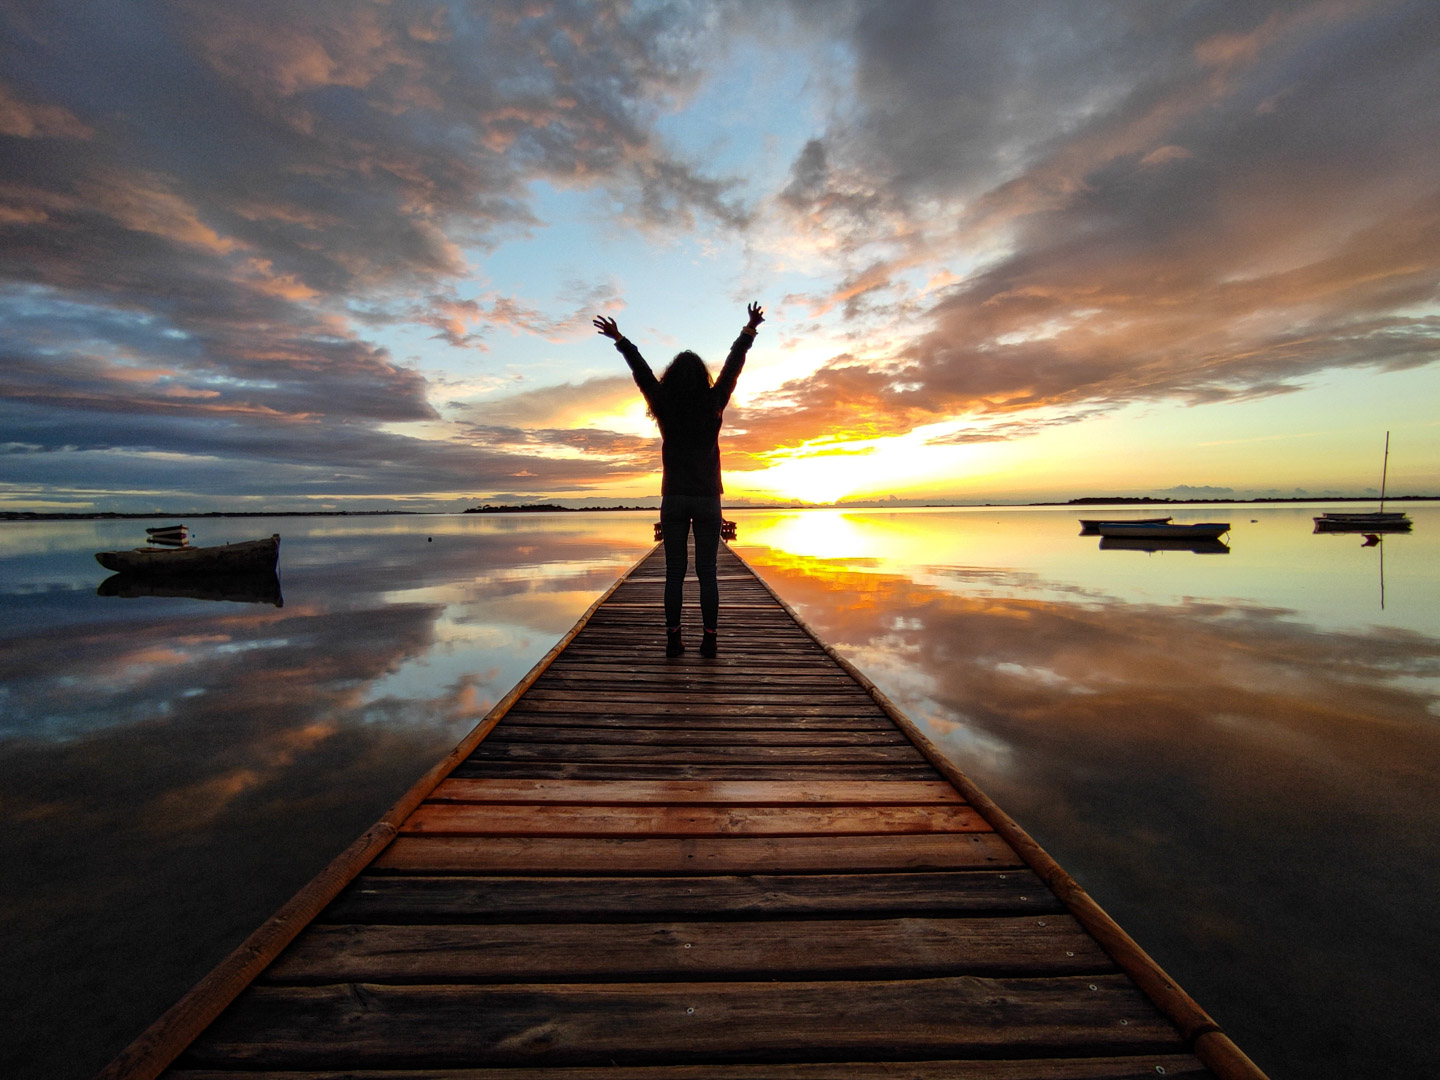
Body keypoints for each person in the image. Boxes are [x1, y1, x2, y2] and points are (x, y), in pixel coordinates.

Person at [593, 302, 764, 657]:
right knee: (708, 573)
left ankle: (673, 641)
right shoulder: (714, 400)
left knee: (674, 574)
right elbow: (733, 367)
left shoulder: (662, 402)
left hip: (673, 497)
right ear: (701, 376)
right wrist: (748, 330)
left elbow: (641, 372)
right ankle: (710, 641)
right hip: (707, 498)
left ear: (671, 376)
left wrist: (620, 339)